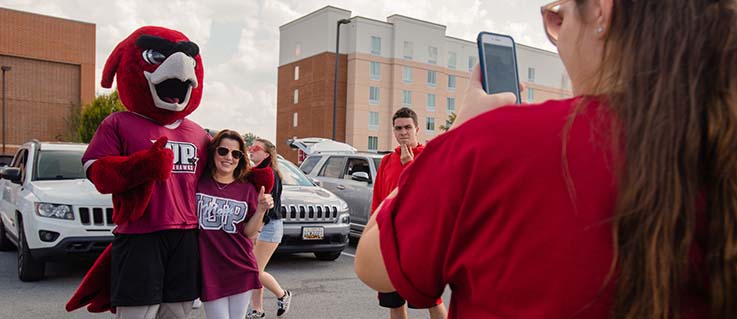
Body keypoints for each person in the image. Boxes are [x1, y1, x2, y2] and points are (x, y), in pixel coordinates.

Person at [356, 0, 737, 318]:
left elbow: (372, 264)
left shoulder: (495, 143)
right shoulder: (717, 139)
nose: (556, 38)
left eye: (558, 16)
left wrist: (459, 134)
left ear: (602, 12)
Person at [371, 107, 447, 319]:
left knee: (430, 299)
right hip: (390, 240)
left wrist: (409, 165)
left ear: (417, 129)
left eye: (407, 127)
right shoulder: (386, 161)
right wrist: (374, 235)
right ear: (393, 131)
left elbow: (432, 196)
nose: (403, 132)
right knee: (394, 302)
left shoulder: (430, 157)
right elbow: (378, 201)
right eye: (398, 128)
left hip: (419, 242)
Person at [197, 130, 274, 319]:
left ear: (241, 158)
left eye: (236, 154)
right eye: (223, 151)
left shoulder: (247, 189)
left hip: (241, 267)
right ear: (213, 152)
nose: (229, 158)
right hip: (210, 269)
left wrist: (261, 209)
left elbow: (249, 233)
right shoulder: (198, 184)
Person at [247, 138, 292, 319]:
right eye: (250, 146)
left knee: (254, 271)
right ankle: (257, 309)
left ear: (266, 154)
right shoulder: (256, 171)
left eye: (256, 148)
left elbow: (268, 206)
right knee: (256, 270)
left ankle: (282, 294)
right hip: (260, 226)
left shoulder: (269, 174)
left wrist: (257, 230)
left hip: (269, 226)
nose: (251, 150)